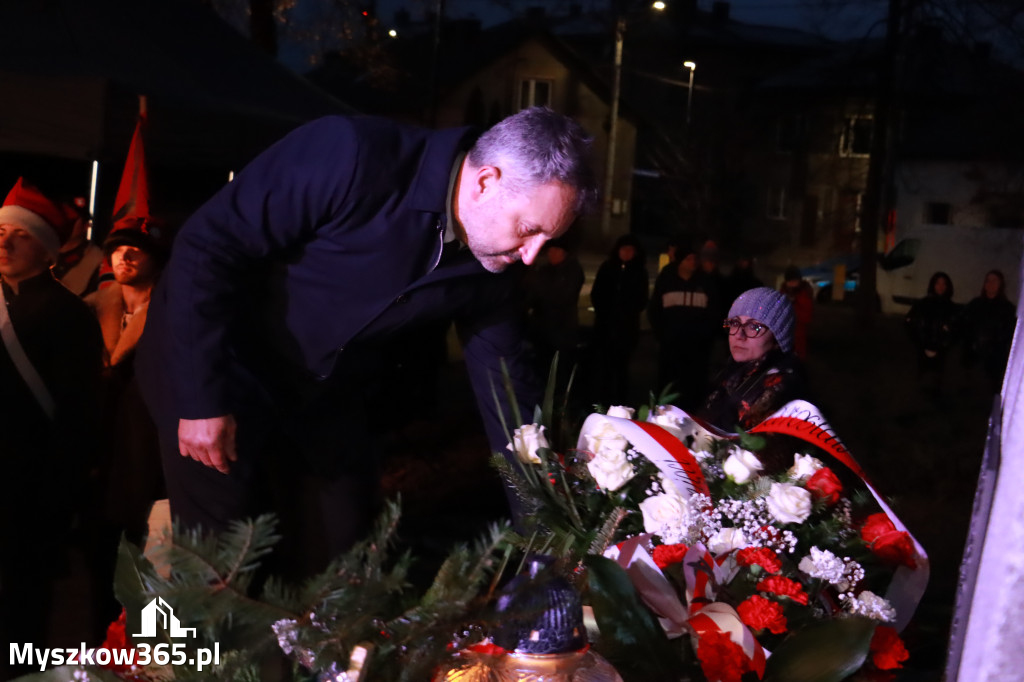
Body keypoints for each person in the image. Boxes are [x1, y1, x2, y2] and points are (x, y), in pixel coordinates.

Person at [135, 107, 597, 578]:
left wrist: (549, 536)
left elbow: (508, 395)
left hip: (323, 395)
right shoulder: (350, 154)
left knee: (346, 559)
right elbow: (207, 246)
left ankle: (321, 648)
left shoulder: (492, 269)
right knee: (224, 563)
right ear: (485, 182)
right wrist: (199, 398)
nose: (532, 254)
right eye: (529, 229)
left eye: (549, 237)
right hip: (217, 364)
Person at [0, 178, 104, 668]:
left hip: (27, 482)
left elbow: (77, 411)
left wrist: (58, 492)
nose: (4, 242)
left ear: (48, 249)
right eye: (0, 231)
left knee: (23, 598)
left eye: (20, 234)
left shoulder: (67, 313)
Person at [83, 220, 168, 640]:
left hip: (149, 454)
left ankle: (145, 644)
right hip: (100, 451)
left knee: (147, 554)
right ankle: (102, 637)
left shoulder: (170, 312)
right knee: (101, 551)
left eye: (137, 249)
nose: (125, 256)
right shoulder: (93, 308)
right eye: (117, 249)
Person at [698, 287, 805, 433]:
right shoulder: (735, 369)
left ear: (777, 337)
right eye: (735, 323)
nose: (739, 335)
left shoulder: (783, 387)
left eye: (754, 327)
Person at [648, 243, 720, 410]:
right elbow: (655, 311)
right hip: (671, 347)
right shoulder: (667, 280)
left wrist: (706, 337)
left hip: (697, 348)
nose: (693, 262)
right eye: (688, 259)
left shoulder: (705, 282)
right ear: (680, 261)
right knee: (670, 386)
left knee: (693, 388)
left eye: (695, 259)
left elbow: (714, 312)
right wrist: (662, 335)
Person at [589, 234, 649, 405]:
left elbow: (641, 299)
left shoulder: (639, 272)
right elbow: (597, 293)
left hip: (627, 328)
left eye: (631, 250)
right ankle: (603, 402)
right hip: (605, 326)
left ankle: (621, 404)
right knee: (604, 367)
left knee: (622, 368)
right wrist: (604, 312)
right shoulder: (607, 268)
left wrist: (626, 312)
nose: (627, 253)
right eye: (624, 249)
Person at [525, 237, 585, 380]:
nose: (552, 254)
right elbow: (532, 295)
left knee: (561, 368)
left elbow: (562, 296)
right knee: (543, 367)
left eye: (556, 251)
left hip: (562, 329)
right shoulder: (544, 270)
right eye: (550, 251)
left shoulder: (572, 270)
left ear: (564, 253)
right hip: (542, 328)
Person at [961, 269, 1017, 394]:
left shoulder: (1007, 308)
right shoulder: (975, 304)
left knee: (988, 392)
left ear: (1001, 284)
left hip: (994, 359)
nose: (990, 284)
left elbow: (1008, 333)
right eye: (988, 281)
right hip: (973, 356)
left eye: (994, 281)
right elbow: (965, 325)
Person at [905, 271, 958, 398]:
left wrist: (942, 346)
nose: (940, 286)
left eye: (944, 284)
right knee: (920, 383)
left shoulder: (951, 308)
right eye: (938, 283)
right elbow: (909, 324)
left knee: (937, 382)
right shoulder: (922, 304)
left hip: (942, 353)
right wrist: (920, 344)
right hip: (921, 350)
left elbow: (955, 331)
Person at [779, 265, 814, 359]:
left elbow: (806, 316)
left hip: (798, 331)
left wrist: (794, 303)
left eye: (794, 281)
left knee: (798, 354)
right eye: (790, 281)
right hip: (784, 331)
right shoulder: (783, 291)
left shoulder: (804, 293)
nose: (792, 283)